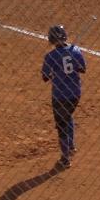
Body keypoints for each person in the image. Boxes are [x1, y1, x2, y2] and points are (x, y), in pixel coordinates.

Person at [41, 24, 87, 167]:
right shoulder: (76, 51)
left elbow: (45, 77)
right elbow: (82, 69)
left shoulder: (50, 56)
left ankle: (65, 158)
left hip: (60, 96)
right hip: (75, 94)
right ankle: (71, 145)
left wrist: (57, 71)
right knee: (68, 116)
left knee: (61, 125)